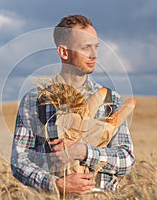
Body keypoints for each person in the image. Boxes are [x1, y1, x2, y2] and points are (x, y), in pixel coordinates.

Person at [11, 14, 135, 195]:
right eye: (86, 47)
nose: (94, 55)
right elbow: (19, 161)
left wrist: (84, 152)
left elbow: (127, 160)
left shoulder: (111, 100)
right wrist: (57, 184)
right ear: (64, 52)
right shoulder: (35, 100)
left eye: (96, 47)